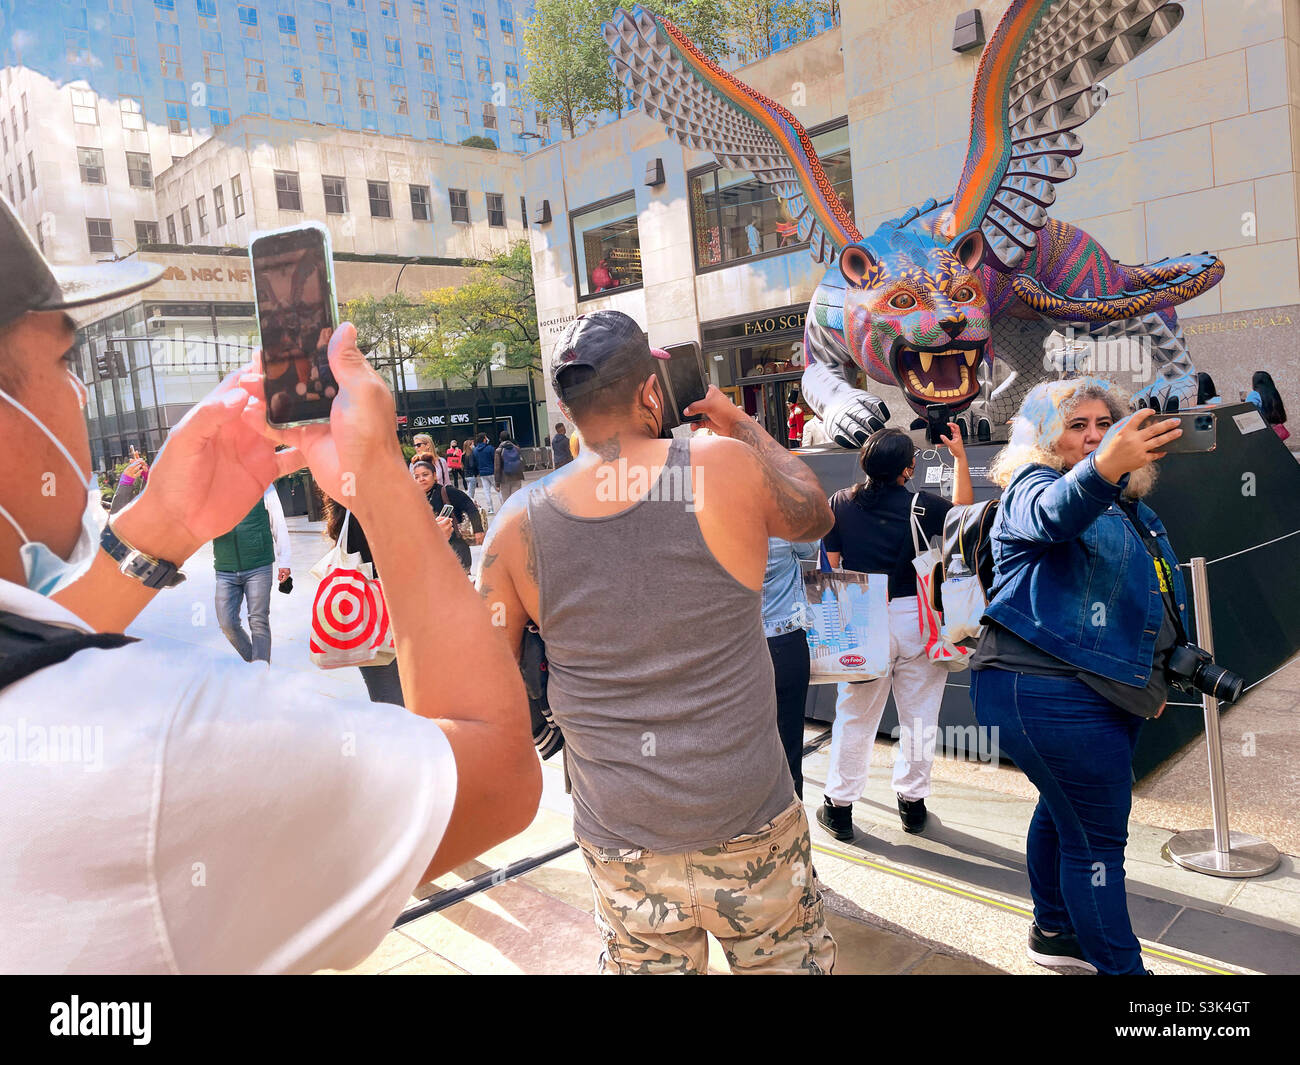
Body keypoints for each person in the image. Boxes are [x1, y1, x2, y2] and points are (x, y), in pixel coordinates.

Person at [0, 195, 539, 973]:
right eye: (61, 361)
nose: (79, 393)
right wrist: (381, 478)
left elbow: (32, 654)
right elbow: (497, 773)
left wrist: (161, 524)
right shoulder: (154, 744)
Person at [478, 310, 837, 974]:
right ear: (651, 392)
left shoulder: (513, 528)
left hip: (620, 838)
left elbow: (489, 688)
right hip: (750, 816)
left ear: (565, 406)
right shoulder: (721, 465)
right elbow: (814, 511)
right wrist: (739, 422)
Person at [969, 377, 1186, 976]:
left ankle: (1056, 930)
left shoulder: (1126, 503)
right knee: (1097, 847)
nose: (1092, 436)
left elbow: (1155, 597)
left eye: (1102, 425)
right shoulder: (1032, 486)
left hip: (1099, 688)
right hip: (1047, 689)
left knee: (1062, 812)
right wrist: (1102, 468)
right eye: (1076, 426)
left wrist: (1154, 675)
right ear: (1043, 436)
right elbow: (1052, 515)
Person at [816, 424, 972, 841]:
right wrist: (959, 459)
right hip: (917, 617)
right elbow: (963, 518)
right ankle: (912, 804)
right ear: (909, 467)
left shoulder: (840, 503)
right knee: (920, 715)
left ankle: (840, 807)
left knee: (855, 716)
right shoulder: (922, 505)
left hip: (863, 614)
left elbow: (834, 567)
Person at [323, 489, 458, 704]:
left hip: (373, 620)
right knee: (396, 706)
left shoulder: (354, 502)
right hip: (390, 619)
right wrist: (433, 539)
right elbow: (392, 566)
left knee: (392, 703)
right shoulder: (369, 503)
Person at [211, 484, 291, 664]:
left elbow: (277, 520)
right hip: (225, 566)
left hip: (258, 564)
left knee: (258, 620)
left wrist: (284, 561)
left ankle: (261, 673)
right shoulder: (211, 486)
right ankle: (257, 664)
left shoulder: (262, 482)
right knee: (227, 623)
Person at [762, 537, 817, 797]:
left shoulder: (719, 518)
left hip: (735, 643)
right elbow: (812, 546)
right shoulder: (782, 521)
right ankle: (789, 819)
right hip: (784, 639)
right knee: (789, 735)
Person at [411, 457, 483, 571]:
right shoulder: (416, 499)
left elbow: (470, 506)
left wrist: (478, 530)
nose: (421, 479)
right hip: (435, 552)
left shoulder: (447, 492)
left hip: (457, 548)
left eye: (425, 475)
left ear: (434, 476)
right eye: (417, 477)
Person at [1247, 370, 1289, 441]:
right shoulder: (1274, 394)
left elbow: (1247, 411)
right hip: (1276, 430)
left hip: (1260, 432)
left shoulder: (1254, 394)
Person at [472, 433, 502, 513]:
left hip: (482, 473)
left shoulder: (475, 450)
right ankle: (503, 506)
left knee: (486, 491)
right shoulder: (490, 448)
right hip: (492, 472)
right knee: (498, 490)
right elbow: (495, 460)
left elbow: (475, 462)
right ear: (484, 439)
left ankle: (490, 508)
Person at [495, 432, 526, 504]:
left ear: (500, 439)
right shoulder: (517, 448)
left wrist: (497, 483)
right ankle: (517, 514)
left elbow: (497, 467)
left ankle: (509, 514)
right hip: (517, 476)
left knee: (507, 501)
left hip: (504, 478)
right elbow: (522, 461)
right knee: (516, 499)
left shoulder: (498, 450)